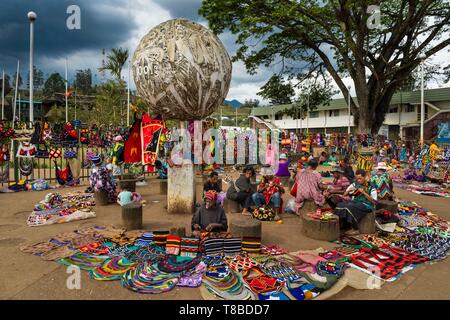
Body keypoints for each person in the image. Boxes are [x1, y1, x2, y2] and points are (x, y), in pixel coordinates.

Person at [334, 169, 377, 235]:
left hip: (367, 205)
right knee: (340, 205)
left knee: (350, 206)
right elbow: (345, 194)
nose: (358, 180)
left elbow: (374, 202)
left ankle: (355, 228)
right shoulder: (355, 184)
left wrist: (364, 193)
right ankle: (341, 225)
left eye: (360, 178)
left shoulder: (371, 186)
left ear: (365, 177)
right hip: (356, 202)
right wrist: (348, 191)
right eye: (357, 179)